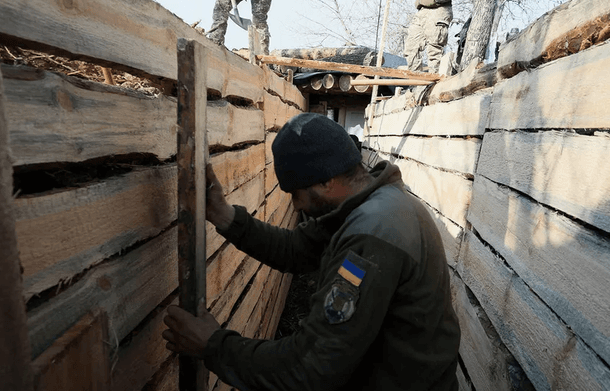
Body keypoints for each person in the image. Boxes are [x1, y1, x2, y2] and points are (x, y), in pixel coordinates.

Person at [162, 113, 461, 391]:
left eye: (296, 193)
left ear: (326, 180)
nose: (296, 206)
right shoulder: (365, 204)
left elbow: (311, 366)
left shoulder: (372, 237)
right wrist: (223, 215)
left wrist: (213, 346)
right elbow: (296, 249)